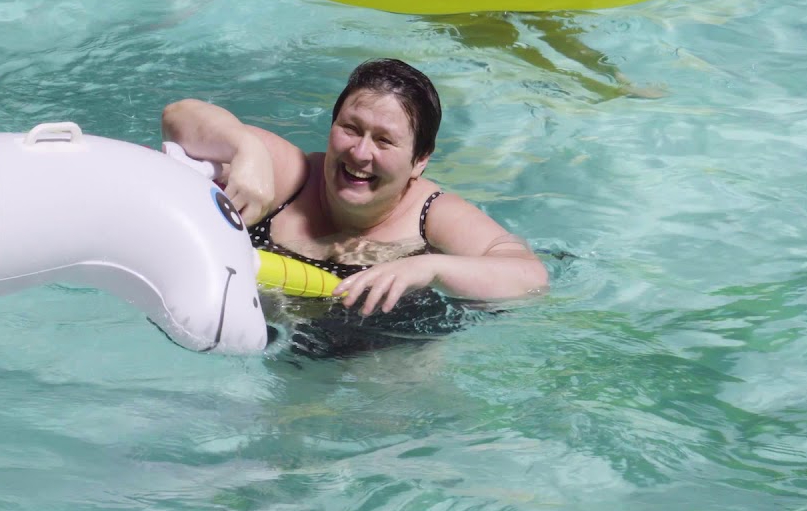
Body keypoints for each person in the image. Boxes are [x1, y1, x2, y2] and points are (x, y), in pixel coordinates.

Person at [161, 59, 549, 320]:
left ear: (420, 160)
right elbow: (177, 116)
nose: (360, 153)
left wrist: (428, 267)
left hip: (374, 357)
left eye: (384, 140)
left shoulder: (428, 214)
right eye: (350, 128)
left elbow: (529, 277)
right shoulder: (293, 174)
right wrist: (242, 145)